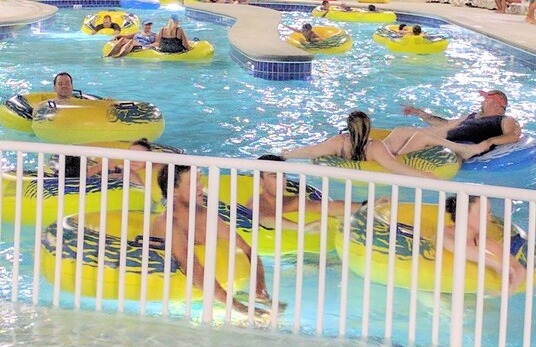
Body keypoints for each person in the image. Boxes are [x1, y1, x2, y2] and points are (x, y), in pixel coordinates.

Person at [151, 164, 276, 315]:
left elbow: (247, 249)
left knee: (276, 312)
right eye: (193, 182)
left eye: (199, 180)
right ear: (174, 191)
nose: (201, 186)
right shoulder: (168, 224)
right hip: (177, 300)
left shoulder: (205, 215)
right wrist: (240, 307)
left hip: (215, 291)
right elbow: (193, 269)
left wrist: (260, 288)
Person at [281, 111, 443, 179]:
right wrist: (424, 175)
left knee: (400, 132)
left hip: (354, 170)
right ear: (369, 128)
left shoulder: (340, 142)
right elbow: (394, 166)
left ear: (349, 129)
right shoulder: (376, 147)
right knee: (416, 135)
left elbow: (311, 151)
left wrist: (287, 154)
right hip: (388, 161)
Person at [245, 155, 363, 230]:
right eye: (274, 176)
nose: (282, 181)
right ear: (260, 181)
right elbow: (264, 218)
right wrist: (303, 227)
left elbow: (325, 206)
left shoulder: (292, 201)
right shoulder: (256, 203)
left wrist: (365, 205)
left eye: (283, 175)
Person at [442, 195, 525, 292]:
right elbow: (457, 248)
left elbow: (519, 269)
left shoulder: (483, 241)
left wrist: (509, 289)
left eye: (489, 213)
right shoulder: (447, 233)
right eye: (482, 212)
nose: (488, 218)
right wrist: (495, 265)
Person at [402, 89, 522, 155]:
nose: (483, 101)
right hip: (444, 137)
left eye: (487, 99)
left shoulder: (505, 120)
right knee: (402, 132)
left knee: (420, 136)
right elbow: (445, 124)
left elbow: (513, 136)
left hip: (461, 145)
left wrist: (490, 141)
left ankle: (395, 164)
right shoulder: (472, 116)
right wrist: (419, 113)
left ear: (497, 103)